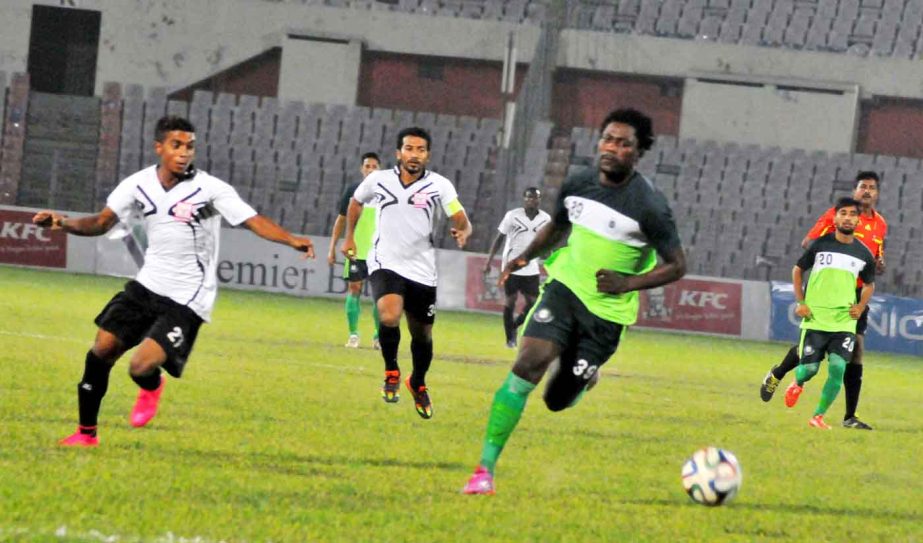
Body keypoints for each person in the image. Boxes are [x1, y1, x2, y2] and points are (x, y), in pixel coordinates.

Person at [33, 116, 314, 447]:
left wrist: (290, 240)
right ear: (159, 147)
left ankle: (151, 387)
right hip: (147, 284)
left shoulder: (210, 189)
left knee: (140, 367)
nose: (184, 153)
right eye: (176, 145)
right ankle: (86, 435)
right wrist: (61, 223)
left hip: (187, 296)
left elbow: (252, 220)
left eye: (190, 146)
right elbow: (101, 222)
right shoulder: (137, 184)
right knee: (101, 350)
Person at [463, 108, 686, 495]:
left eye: (624, 143)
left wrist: (627, 283)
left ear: (638, 152)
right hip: (565, 288)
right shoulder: (579, 182)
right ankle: (484, 471)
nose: (613, 148)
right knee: (528, 364)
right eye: (608, 139)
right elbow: (558, 227)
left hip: (607, 313)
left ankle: (586, 378)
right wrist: (525, 256)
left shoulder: (650, 207)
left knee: (556, 399)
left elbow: (678, 265)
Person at [341, 127, 472, 419]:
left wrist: (462, 231)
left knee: (422, 335)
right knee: (388, 314)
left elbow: (461, 217)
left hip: (422, 268)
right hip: (384, 260)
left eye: (421, 150)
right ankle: (391, 371)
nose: (414, 155)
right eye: (409, 149)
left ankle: (418, 382)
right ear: (398, 153)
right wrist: (349, 237)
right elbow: (355, 202)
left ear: (428, 155)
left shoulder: (440, 185)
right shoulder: (378, 180)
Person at [760, 172, 887, 430]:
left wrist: (876, 265)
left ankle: (849, 416)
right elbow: (808, 243)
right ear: (854, 191)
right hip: (824, 291)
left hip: (853, 298)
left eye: (872, 188)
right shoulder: (836, 216)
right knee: (810, 354)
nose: (867, 192)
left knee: (854, 354)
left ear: (877, 193)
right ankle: (781, 373)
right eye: (862, 186)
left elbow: (874, 258)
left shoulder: (880, 224)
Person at [781, 197, 876, 429]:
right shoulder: (821, 244)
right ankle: (798, 382)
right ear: (835, 218)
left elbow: (869, 284)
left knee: (838, 367)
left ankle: (818, 416)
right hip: (816, 318)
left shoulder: (864, 254)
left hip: (844, 321)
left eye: (852, 214)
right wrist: (800, 302)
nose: (847, 217)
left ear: (858, 220)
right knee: (810, 369)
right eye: (843, 213)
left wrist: (860, 306)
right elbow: (797, 270)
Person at [483, 187, 551, 348]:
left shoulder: (545, 219)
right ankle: (510, 339)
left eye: (535, 198)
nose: (532, 200)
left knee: (533, 303)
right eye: (528, 197)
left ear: (539, 200)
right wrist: (489, 260)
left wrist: (552, 259)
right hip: (511, 265)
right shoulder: (512, 216)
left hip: (531, 266)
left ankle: (514, 325)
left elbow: (548, 241)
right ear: (524, 199)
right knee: (510, 301)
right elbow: (499, 238)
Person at [327, 152, 382, 349]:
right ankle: (353, 335)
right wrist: (332, 247)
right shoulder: (353, 191)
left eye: (374, 166)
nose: (371, 170)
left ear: (379, 169)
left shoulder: (385, 193)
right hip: (356, 249)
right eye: (367, 166)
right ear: (362, 169)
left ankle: (378, 336)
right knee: (354, 289)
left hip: (379, 251)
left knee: (380, 295)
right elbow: (341, 220)